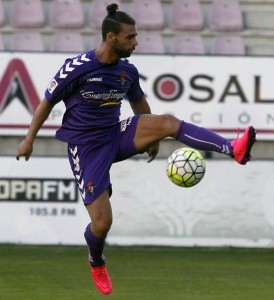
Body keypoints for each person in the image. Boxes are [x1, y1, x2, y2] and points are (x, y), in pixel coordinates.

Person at [16, 3, 256, 295]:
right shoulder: (77, 67)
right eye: (130, 37)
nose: (136, 42)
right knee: (102, 224)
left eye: (135, 36)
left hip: (114, 135)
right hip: (86, 148)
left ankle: (234, 149)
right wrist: (29, 139)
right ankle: (96, 259)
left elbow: (138, 102)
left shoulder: (127, 71)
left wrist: (153, 138)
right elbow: (47, 102)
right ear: (111, 38)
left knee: (167, 122)